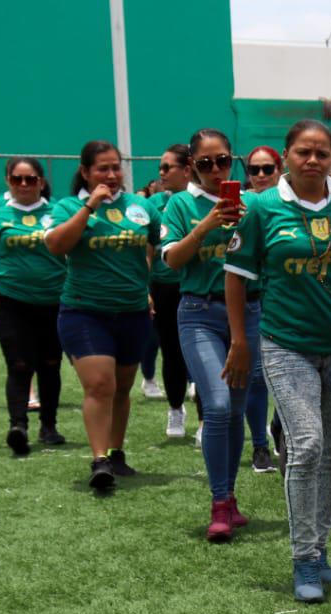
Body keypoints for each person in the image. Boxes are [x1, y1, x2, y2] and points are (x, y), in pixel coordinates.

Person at [224, 120, 331, 598]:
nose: (312, 160)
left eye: (322, 153)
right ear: (286, 156)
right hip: (286, 344)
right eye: (303, 152)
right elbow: (235, 274)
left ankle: (320, 550)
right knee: (306, 444)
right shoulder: (261, 207)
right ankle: (303, 559)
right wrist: (239, 341)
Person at [45, 140, 161, 491]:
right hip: (85, 312)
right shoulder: (68, 207)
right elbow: (56, 245)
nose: (111, 175)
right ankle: (99, 461)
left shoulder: (141, 206)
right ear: (85, 172)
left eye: (115, 167)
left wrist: (145, 284)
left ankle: (116, 451)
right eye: (102, 169)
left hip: (133, 312)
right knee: (100, 385)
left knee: (122, 388)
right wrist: (90, 206)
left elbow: (154, 244)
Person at [162, 129, 260, 542]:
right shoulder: (180, 204)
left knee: (235, 409)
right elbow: (172, 260)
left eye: (222, 161)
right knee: (217, 405)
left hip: (250, 313)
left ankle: (230, 496)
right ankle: (219, 502)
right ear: (191, 166)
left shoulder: (253, 203)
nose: (216, 170)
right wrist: (205, 226)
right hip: (199, 313)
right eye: (205, 163)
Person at [0, 157, 67, 453]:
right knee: (19, 364)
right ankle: (18, 425)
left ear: (41, 182)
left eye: (30, 179)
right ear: (8, 181)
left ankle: (49, 426)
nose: (24, 184)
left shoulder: (58, 213)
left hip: (54, 302)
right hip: (12, 303)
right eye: (17, 179)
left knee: (50, 364)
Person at [145, 145, 192, 441]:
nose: (161, 173)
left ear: (187, 169)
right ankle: (176, 407)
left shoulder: (205, 201)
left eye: (167, 167)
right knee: (172, 351)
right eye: (160, 168)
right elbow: (147, 250)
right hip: (166, 287)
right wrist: (145, 288)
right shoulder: (154, 205)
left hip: (201, 286)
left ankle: (210, 418)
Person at [240, 145, 282, 474]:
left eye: (268, 168)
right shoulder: (242, 204)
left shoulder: (291, 204)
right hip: (249, 300)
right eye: (254, 170)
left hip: (285, 301)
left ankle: (279, 427)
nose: (261, 175)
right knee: (255, 378)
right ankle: (259, 445)